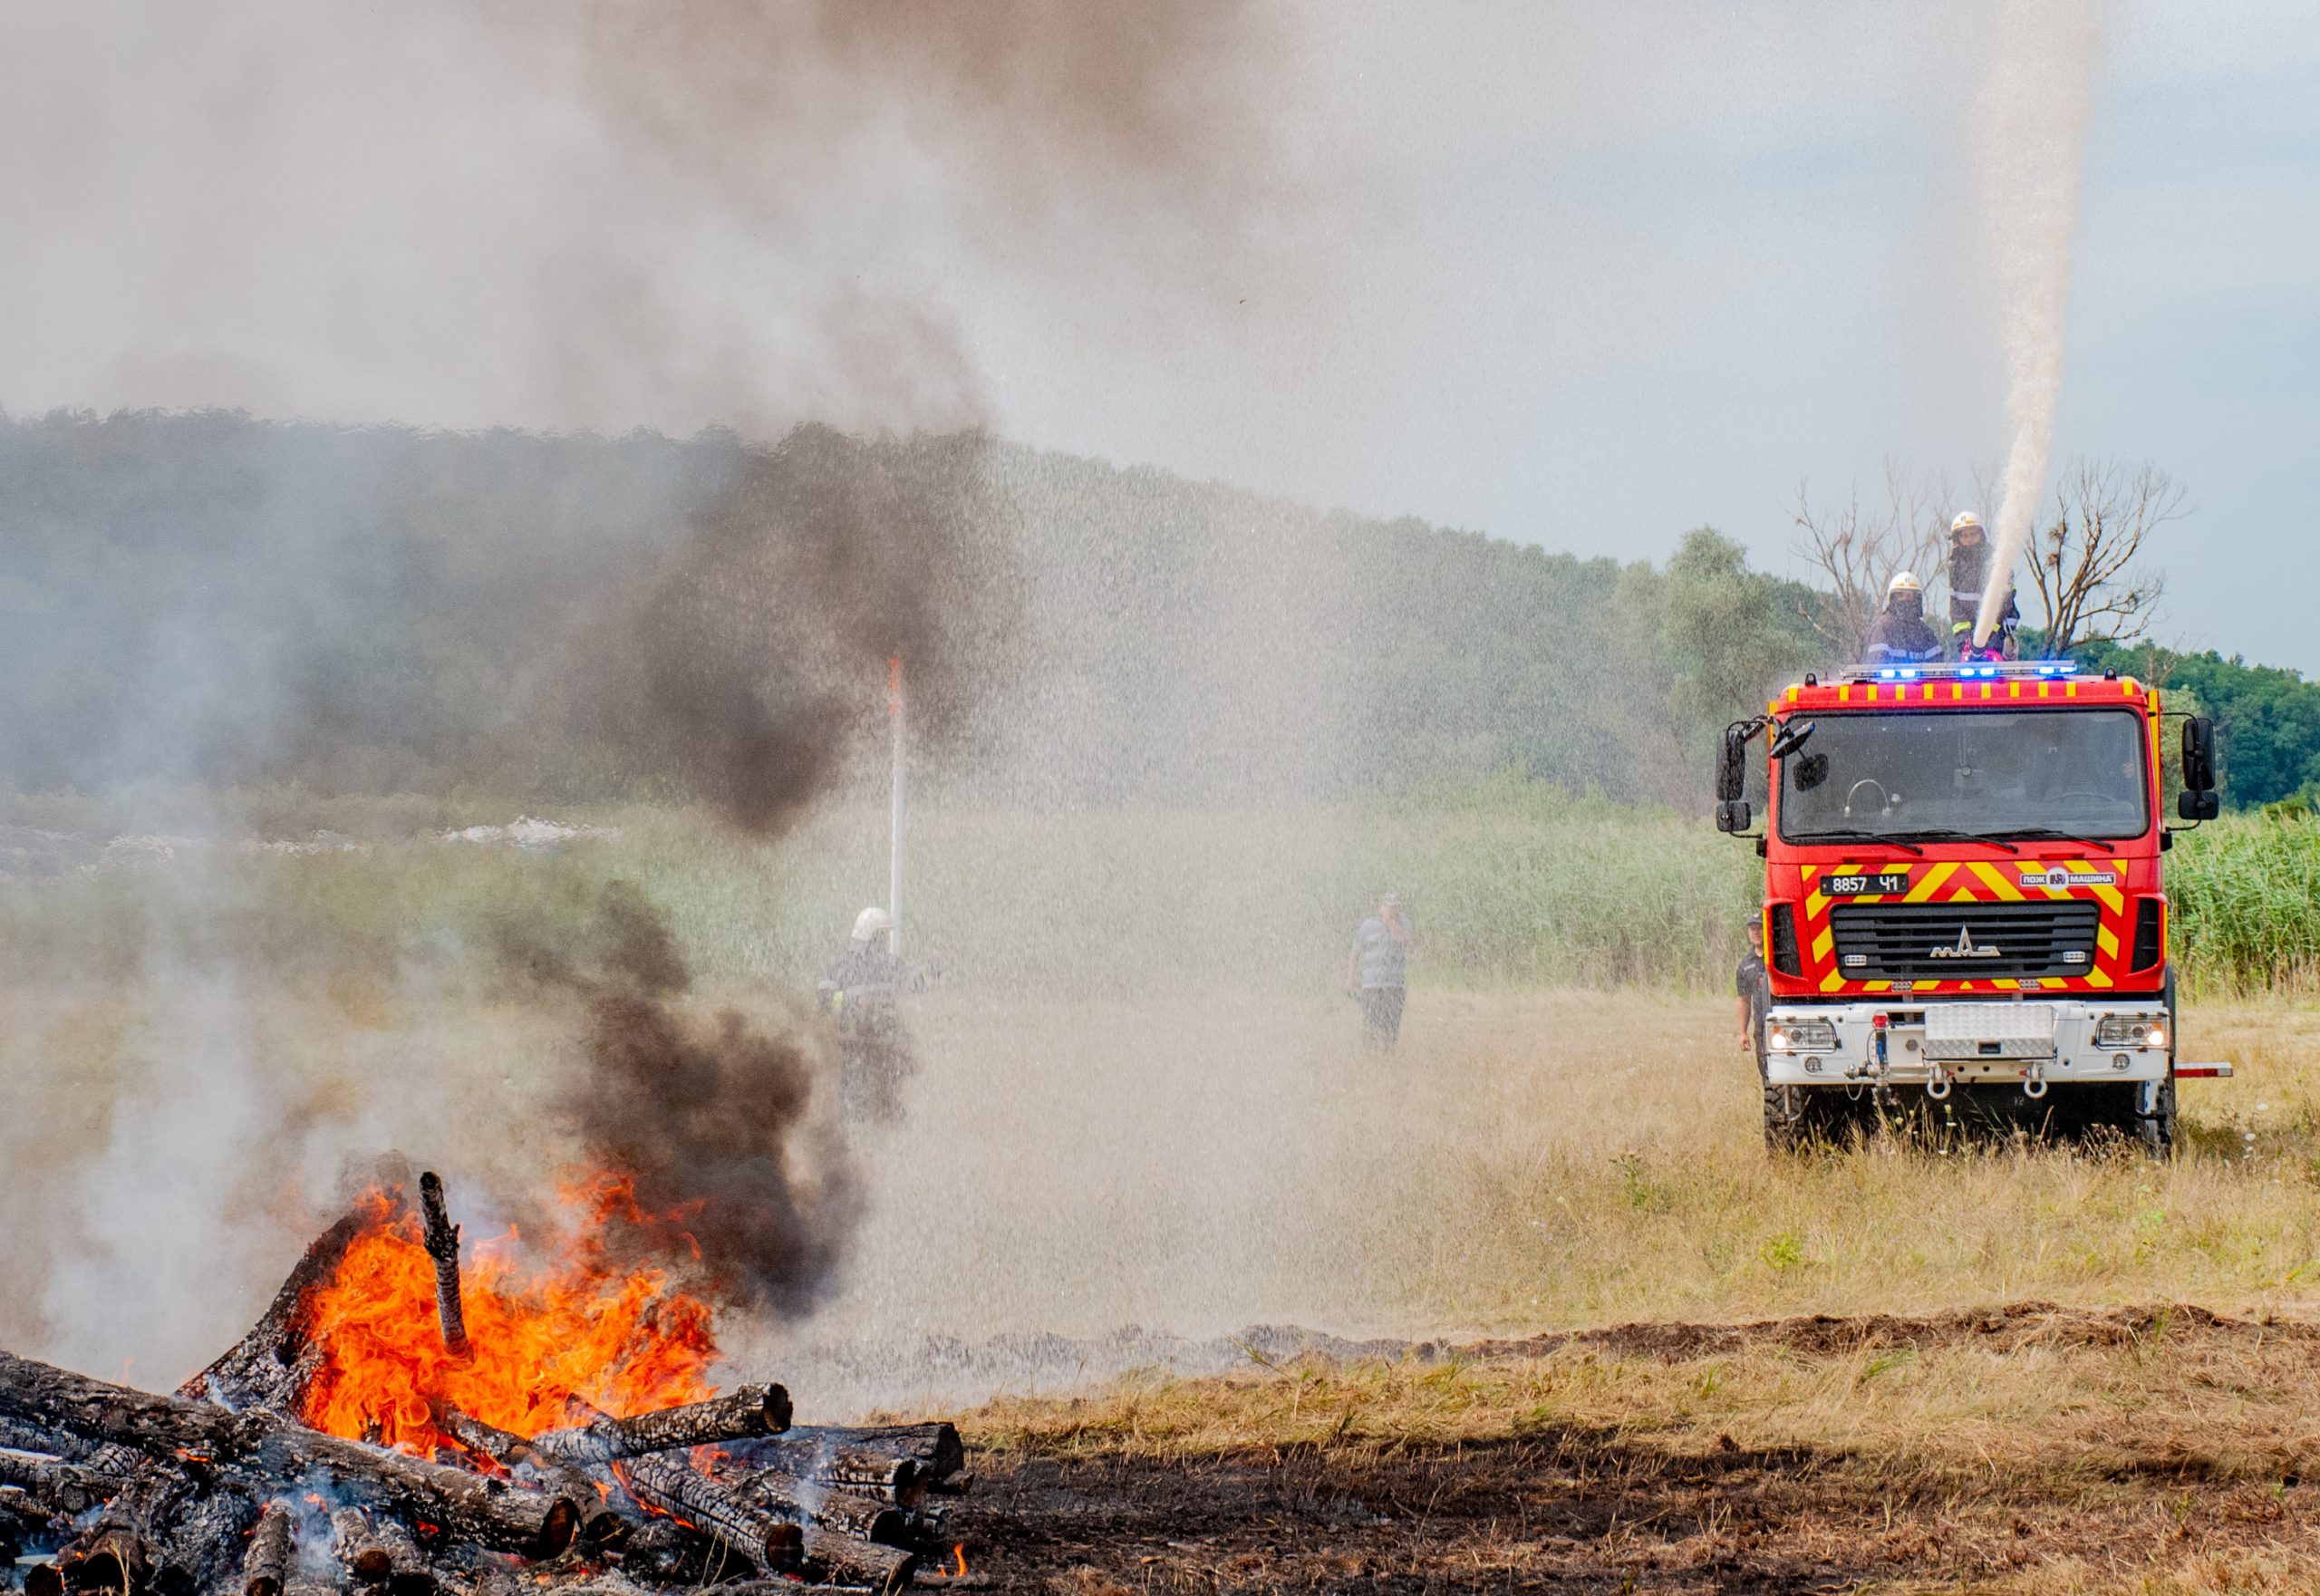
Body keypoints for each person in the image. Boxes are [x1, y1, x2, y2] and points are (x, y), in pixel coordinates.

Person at [818, 906, 920, 1121]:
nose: (885, 941)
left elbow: (916, 981)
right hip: (854, 1040)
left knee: (889, 1090)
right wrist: (850, 1002)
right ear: (869, 934)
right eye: (881, 935)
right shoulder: (842, 964)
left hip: (887, 1041)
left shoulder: (889, 964)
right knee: (854, 1090)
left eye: (886, 936)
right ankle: (853, 1132)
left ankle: (887, 1129)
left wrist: (933, 968)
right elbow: (825, 998)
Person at [1946, 513, 2020, 660]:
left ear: (1981, 534)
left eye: (1973, 534)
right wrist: (1963, 636)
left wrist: (1989, 632)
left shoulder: (1996, 560)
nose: (1969, 538)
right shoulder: (1955, 566)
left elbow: (2005, 602)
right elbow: (1955, 605)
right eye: (1964, 535)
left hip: (1998, 630)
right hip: (1969, 633)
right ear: (1957, 539)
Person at [1345, 894, 1413, 1049]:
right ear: (1381, 908)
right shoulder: (1367, 926)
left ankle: (1388, 1058)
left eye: (1396, 907)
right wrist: (1350, 979)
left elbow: (1403, 941)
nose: (1393, 910)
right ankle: (1371, 1059)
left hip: (1395, 986)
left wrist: (1390, 922)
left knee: (1391, 1028)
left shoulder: (1404, 924)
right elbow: (1355, 952)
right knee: (1371, 1026)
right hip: (1372, 986)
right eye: (1390, 907)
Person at [1861, 571, 1941, 665]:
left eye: (1911, 596)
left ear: (1918, 599)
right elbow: (1876, 664)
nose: (1906, 600)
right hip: (1891, 680)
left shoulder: (1925, 632)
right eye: (1901, 595)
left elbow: (1937, 666)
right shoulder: (1883, 628)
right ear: (1892, 598)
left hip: (1922, 680)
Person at [1735, 921, 1769, 1069]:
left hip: (1782, 1021)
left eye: (1760, 928)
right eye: (1752, 929)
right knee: (1766, 1072)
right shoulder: (1745, 964)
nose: (1756, 933)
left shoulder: (1777, 956)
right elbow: (1744, 1000)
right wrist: (1743, 1033)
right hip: (1761, 1027)